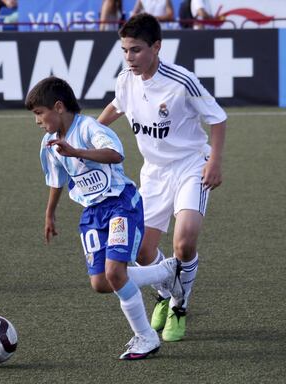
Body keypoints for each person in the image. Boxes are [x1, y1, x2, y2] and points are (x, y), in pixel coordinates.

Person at [25, 76, 185, 360]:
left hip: (121, 204)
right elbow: (56, 179)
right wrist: (50, 214)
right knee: (100, 282)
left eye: (39, 113)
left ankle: (146, 337)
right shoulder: (49, 143)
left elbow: (115, 154)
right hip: (92, 213)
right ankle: (166, 271)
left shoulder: (89, 128)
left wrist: (77, 151)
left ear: (58, 107)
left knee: (115, 273)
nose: (37, 120)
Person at [98, 13, 227, 342]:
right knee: (142, 251)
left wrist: (215, 162)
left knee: (183, 243)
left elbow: (218, 118)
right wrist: (93, 136)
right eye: (125, 50)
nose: (130, 58)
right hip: (153, 172)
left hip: (190, 166)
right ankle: (165, 293)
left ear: (156, 47)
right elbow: (117, 106)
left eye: (137, 50)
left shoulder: (181, 80)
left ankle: (180, 306)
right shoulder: (126, 79)